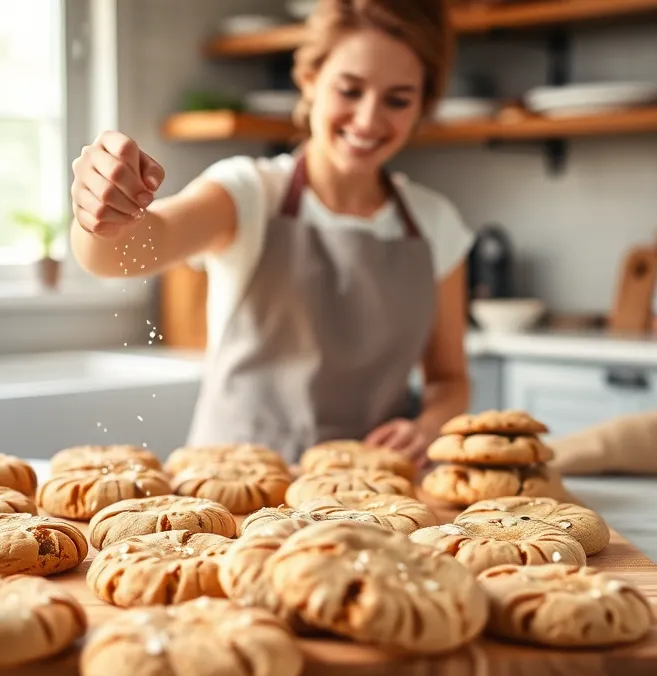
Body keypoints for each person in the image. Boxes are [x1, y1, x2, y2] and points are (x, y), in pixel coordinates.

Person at [68, 0, 473, 467]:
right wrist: (100, 211)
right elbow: (126, 253)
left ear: (424, 103)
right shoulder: (248, 193)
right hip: (231, 491)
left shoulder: (434, 223)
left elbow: (449, 378)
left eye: (398, 99)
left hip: (371, 496)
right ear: (309, 80)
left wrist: (426, 428)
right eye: (349, 90)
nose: (368, 119)